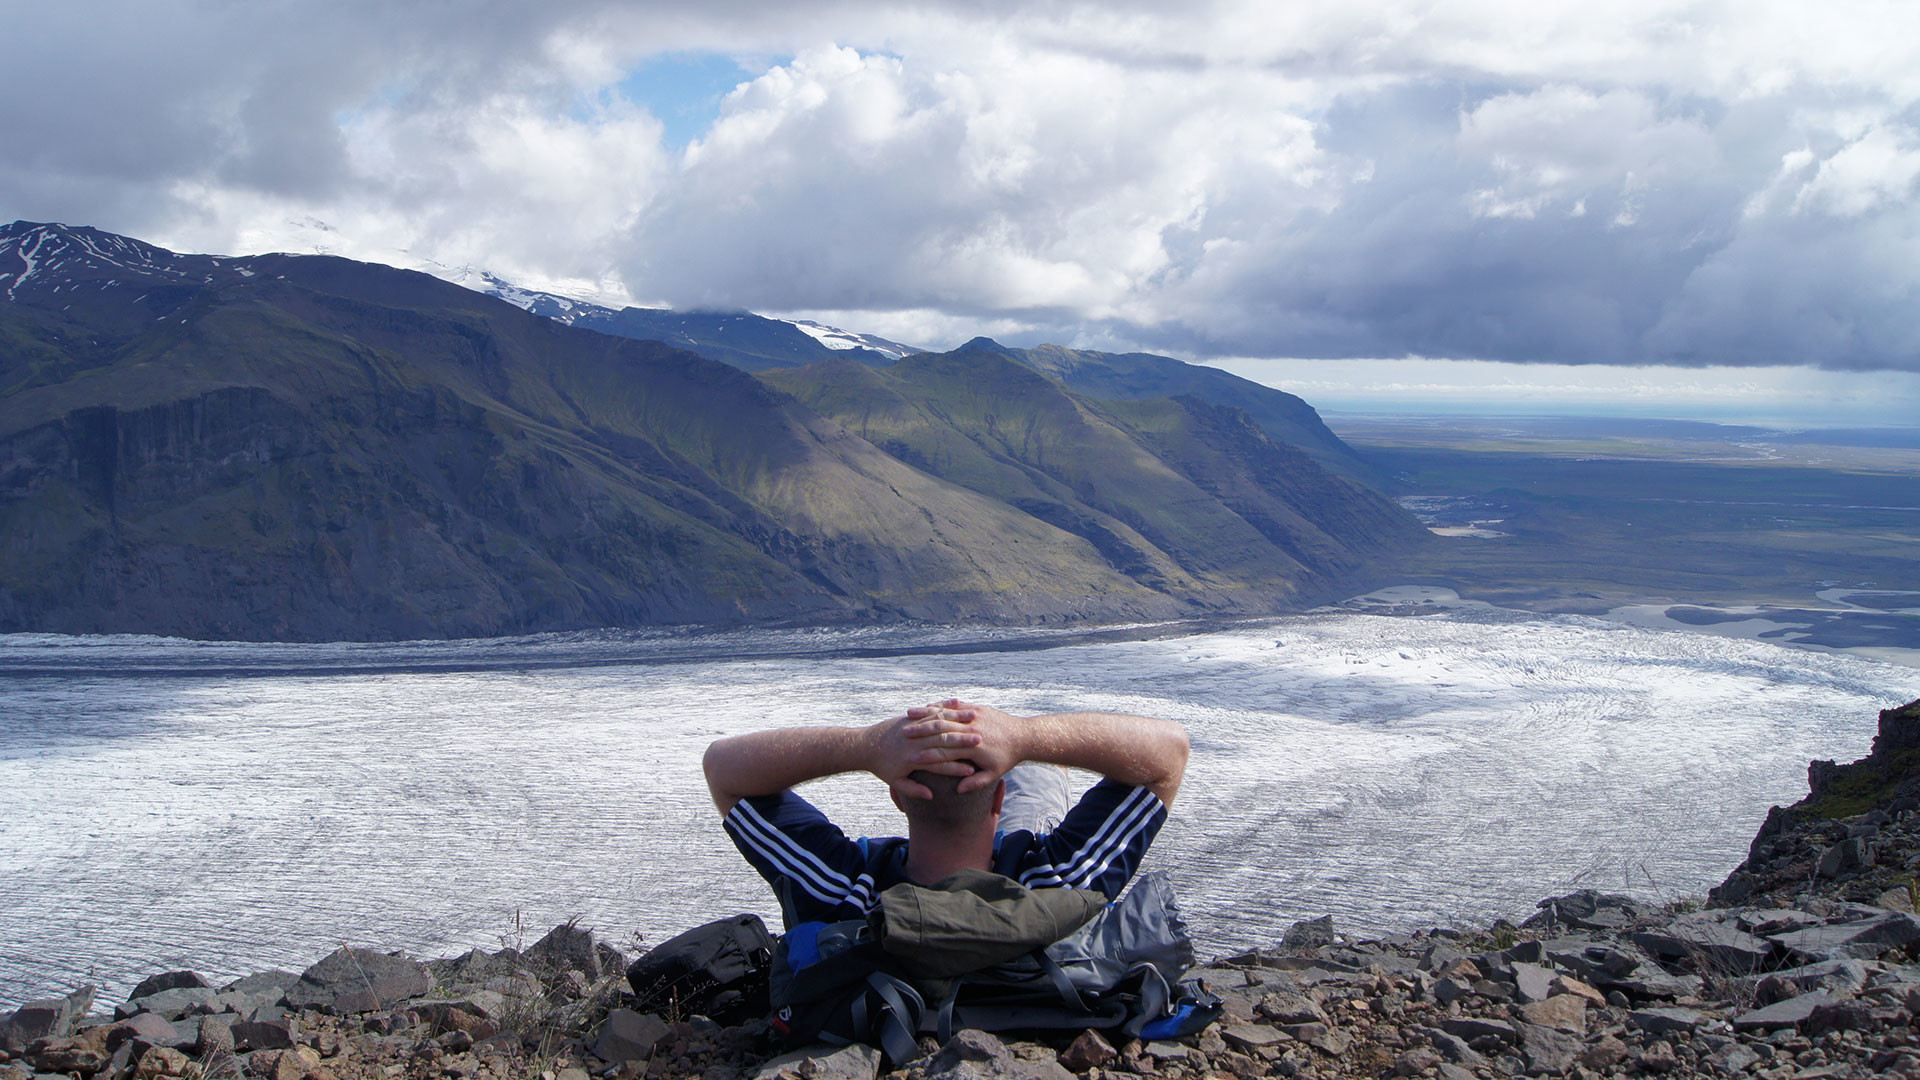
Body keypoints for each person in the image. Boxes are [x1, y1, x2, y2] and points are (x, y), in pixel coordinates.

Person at [704, 699, 1190, 929]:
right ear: (996, 801)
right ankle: (1027, 764)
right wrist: (1023, 738)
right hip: (1015, 878)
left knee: (1035, 786)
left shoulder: (844, 891)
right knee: (1042, 778)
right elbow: (1168, 754)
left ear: (898, 798)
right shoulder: (1056, 882)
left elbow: (722, 769)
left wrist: (867, 745)